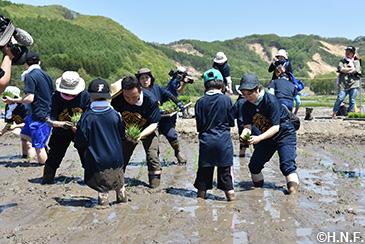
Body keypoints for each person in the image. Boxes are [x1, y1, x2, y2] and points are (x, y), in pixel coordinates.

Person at [238, 73, 299, 194]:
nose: (247, 97)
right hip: (266, 136)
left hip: (284, 133)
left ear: (257, 89)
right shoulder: (245, 106)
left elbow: (276, 127)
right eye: (244, 94)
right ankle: (257, 193)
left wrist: (259, 138)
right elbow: (247, 126)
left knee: (287, 166)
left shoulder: (271, 101)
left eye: (250, 93)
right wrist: (245, 133)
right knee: (254, 166)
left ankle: (292, 196)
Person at [74, 78, 126, 206]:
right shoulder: (115, 114)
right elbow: (122, 134)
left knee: (103, 189)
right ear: (108, 97)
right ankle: (123, 204)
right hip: (116, 158)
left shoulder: (87, 117)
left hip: (98, 159)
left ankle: (103, 209)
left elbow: (80, 142)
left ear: (90, 98)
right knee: (119, 184)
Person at [2, 51, 54, 165]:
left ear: (25, 64)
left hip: (40, 115)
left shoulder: (30, 76)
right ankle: (42, 147)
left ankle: (44, 170)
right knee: (24, 134)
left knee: (39, 148)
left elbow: (29, 98)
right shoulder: (47, 76)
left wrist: (13, 100)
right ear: (39, 63)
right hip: (44, 113)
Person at [111, 76, 162, 188]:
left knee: (152, 156)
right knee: (122, 156)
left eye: (134, 97)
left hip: (147, 129)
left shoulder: (151, 100)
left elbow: (154, 124)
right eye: (127, 97)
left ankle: (155, 187)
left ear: (140, 90)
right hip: (128, 130)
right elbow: (113, 116)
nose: (130, 100)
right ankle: (117, 183)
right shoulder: (117, 99)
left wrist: (140, 135)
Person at [42, 71, 90, 184]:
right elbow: (48, 118)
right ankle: (47, 180)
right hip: (60, 131)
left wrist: (80, 125)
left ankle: (91, 182)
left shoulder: (85, 95)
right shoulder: (56, 97)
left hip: (80, 132)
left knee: (87, 157)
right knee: (54, 157)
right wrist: (61, 124)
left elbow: (90, 115)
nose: (69, 95)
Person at [194, 68, 235, 201]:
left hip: (206, 141)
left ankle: (201, 201)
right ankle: (231, 200)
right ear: (222, 84)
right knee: (225, 174)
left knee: (204, 174)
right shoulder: (227, 100)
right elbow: (231, 122)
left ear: (205, 85)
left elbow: (199, 126)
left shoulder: (200, 102)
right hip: (223, 141)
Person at [135, 68, 187, 164]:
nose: (145, 80)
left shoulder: (157, 88)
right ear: (138, 81)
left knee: (172, 135)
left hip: (162, 118)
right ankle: (155, 163)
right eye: (142, 78)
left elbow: (169, 95)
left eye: (147, 77)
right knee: (153, 146)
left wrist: (178, 102)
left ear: (151, 78)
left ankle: (178, 151)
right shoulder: (137, 92)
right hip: (148, 122)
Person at [0, 85, 34, 158]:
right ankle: (24, 158)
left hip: (33, 127)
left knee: (29, 144)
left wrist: (15, 126)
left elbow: (28, 123)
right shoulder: (8, 107)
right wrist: (2, 132)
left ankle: (30, 161)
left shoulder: (24, 106)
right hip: (24, 128)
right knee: (24, 142)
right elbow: (9, 123)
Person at [332, 46, 362, 119]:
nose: (347, 53)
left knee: (352, 99)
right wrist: (351, 69)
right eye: (346, 51)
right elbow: (340, 69)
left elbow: (357, 70)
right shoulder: (342, 61)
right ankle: (334, 112)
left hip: (354, 83)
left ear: (353, 53)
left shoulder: (357, 62)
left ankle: (350, 114)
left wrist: (346, 70)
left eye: (349, 51)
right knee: (340, 98)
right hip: (343, 84)